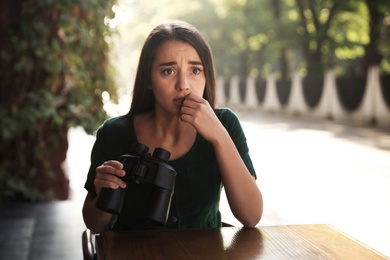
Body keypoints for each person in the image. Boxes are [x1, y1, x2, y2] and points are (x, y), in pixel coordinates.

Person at [82, 21, 263, 233]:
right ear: (148, 79)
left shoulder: (225, 124)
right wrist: (104, 191)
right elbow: (94, 224)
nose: (184, 84)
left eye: (195, 70)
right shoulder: (114, 132)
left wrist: (219, 137)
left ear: (207, 77)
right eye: (168, 71)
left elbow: (251, 217)